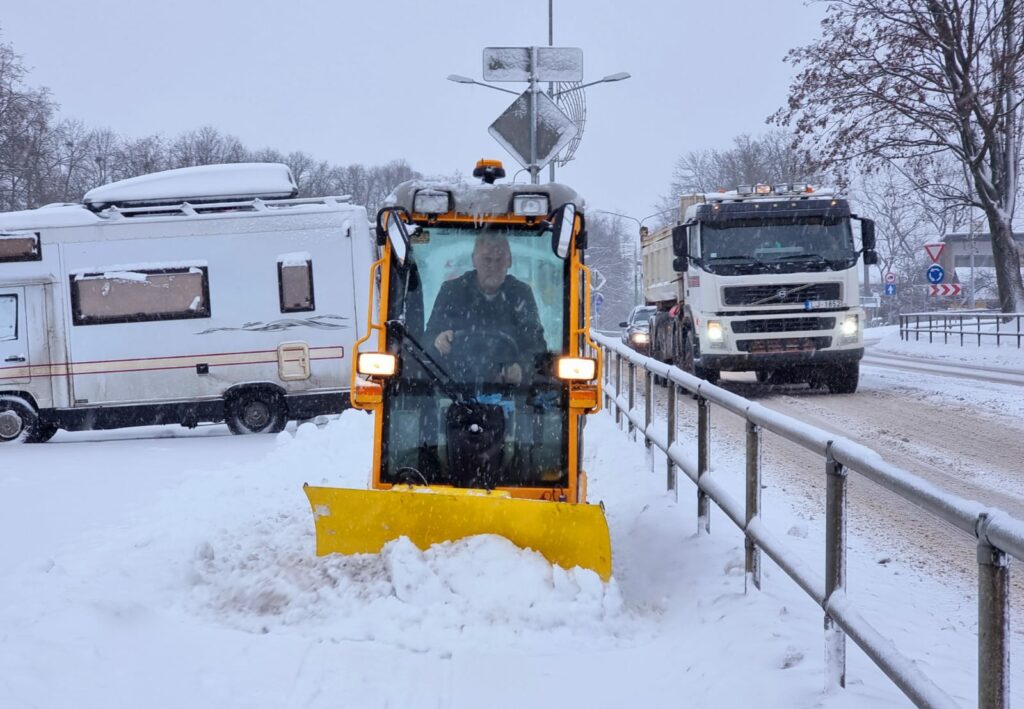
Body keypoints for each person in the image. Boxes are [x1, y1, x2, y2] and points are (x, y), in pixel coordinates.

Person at [425, 232, 546, 385]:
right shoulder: (452, 291)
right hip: (454, 385)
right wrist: (437, 341)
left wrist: (522, 368)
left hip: (508, 388)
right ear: (474, 261)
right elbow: (427, 339)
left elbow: (537, 345)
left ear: (509, 262)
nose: (493, 266)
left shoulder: (521, 294)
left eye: (499, 260)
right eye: (487, 260)